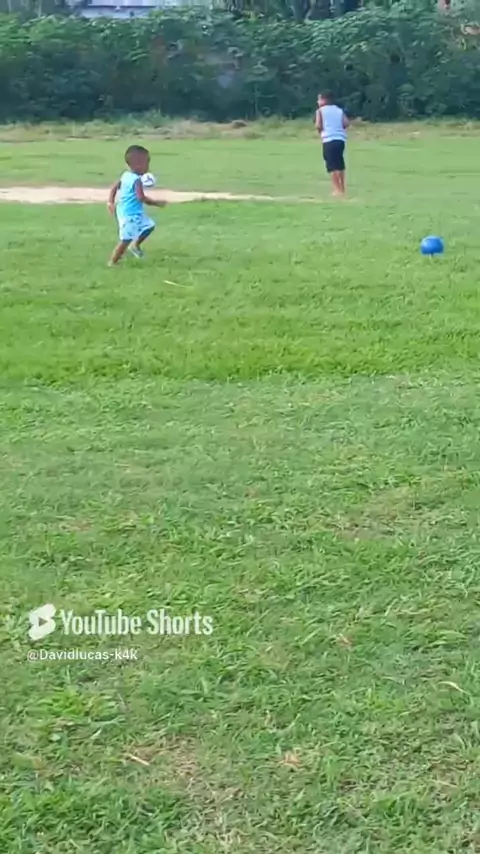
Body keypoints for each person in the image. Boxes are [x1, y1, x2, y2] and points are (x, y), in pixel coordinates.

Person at [107, 144, 166, 266]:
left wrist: (110, 202)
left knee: (149, 226)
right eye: (146, 163)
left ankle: (135, 245)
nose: (148, 166)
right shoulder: (136, 180)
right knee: (125, 239)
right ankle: (113, 262)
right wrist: (157, 203)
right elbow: (141, 197)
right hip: (129, 214)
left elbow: (114, 188)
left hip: (130, 212)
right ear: (137, 165)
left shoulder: (125, 175)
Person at [315, 92, 350, 196]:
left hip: (328, 139)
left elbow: (318, 125)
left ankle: (336, 189)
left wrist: (320, 131)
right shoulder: (339, 110)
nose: (318, 102)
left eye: (319, 99)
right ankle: (342, 188)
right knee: (339, 164)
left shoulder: (320, 111)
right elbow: (346, 123)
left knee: (331, 165)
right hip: (340, 139)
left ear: (324, 100)